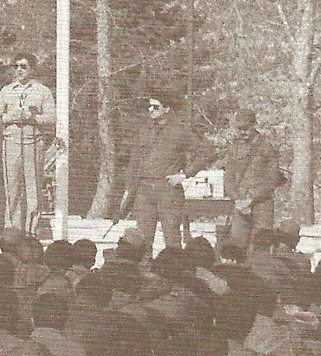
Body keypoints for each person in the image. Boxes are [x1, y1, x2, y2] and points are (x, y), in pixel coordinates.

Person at [120, 93, 213, 252]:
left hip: (168, 191)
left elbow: (207, 151)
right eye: (149, 106)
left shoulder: (180, 131)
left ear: (167, 109)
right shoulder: (144, 131)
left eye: (155, 107)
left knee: (172, 241)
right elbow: (134, 162)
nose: (150, 110)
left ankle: (174, 275)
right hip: (143, 191)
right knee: (141, 241)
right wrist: (129, 189)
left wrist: (184, 175)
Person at [0, 53, 55, 236]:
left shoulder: (42, 91)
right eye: (16, 66)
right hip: (11, 143)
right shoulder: (6, 90)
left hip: (32, 143)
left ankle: (30, 232)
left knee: (33, 190)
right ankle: (14, 232)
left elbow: (52, 117)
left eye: (23, 66)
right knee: (13, 188)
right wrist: (10, 117)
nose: (19, 70)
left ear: (32, 69)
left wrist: (33, 118)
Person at [223, 109, 284, 255]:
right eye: (239, 129)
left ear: (254, 125)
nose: (243, 132)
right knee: (236, 246)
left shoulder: (267, 147)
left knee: (260, 246)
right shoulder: (234, 147)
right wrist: (237, 199)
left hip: (261, 204)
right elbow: (228, 177)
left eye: (246, 128)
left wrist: (250, 200)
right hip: (240, 203)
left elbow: (271, 181)